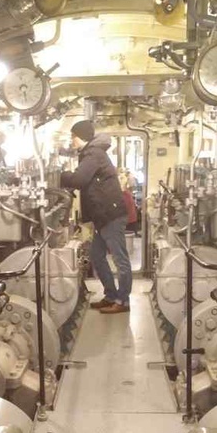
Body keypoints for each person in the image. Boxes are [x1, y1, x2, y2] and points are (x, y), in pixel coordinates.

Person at [61, 120, 132, 314]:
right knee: (97, 256)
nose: (71, 140)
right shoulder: (91, 153)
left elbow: (79, 179)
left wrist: (62, 176)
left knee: (120, 260)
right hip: (103, 215)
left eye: (73, 136)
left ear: (81, 137)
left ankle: (123, 301)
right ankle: (111, 295)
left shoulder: (93, 154)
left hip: (111, 214)